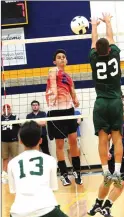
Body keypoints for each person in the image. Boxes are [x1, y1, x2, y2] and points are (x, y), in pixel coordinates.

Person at [7, 121, 78, 217]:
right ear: (40, 140)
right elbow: (53, 188)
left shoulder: (12, 163)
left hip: (19, 214)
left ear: (20, 141)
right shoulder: (50, 160)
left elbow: (13, 191)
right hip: (46, 210)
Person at [88, 98, 124, 217]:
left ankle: (107, 207)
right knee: (107, 181)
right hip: (114, 158)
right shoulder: (116, 124)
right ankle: (98, 204)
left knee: (121, 184)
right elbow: (106, 139)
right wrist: (107, 152)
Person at [89, 13, 123, 185]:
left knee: (102, 138)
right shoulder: (115, 54)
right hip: (116, 101)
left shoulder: (93, 58)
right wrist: (108, 22)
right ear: (109, 49)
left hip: (101, 102)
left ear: (97, 49)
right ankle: (117, 172)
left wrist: (94, 25)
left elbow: (95, 41)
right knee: (117, 138)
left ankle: (105, 172)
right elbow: (111, 37)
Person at [46, 49, 82, 186]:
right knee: (59, 144)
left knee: (73, 141)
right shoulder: (52, 70)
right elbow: (53, 84)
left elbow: (72, 90)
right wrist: (54, 94)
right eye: (59, 57)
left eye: (63, 57)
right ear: (55, 61)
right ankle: (64, 174)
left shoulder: (68, 76)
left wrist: (75, 100)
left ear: (66, 60)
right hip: (55, 112)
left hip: (69, 110)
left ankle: (77, 172)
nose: (61, 59)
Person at [1, 104, 20, 183]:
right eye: (5, 108)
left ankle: (16, 175)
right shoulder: (1, 117)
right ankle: (4, 176)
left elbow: (20, 126)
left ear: (10, 109)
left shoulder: (15, 117)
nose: (6, 110)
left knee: (15, 158)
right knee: (5, 158)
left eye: (8, 108)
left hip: (13, 140)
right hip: (3, 141)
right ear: (3, 110)